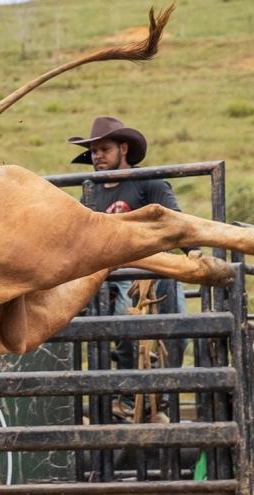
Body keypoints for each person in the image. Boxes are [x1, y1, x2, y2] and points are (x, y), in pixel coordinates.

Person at [69, 115, 187, 418]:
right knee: (120, 329)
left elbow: (175, 221)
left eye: (104, 149)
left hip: (152, 271)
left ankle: (153, 393)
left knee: (174, 331)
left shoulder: (148, 182)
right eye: (94, 151)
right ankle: (128, 395)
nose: (97, 157)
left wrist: (194, 254)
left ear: (123, 148)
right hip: (111, 275)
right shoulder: (91, 192)